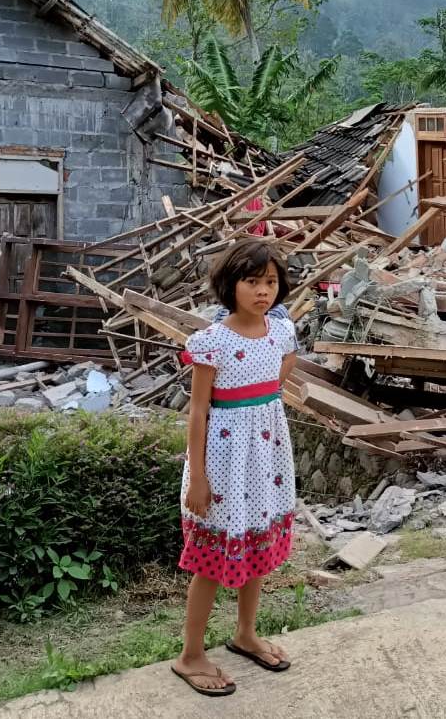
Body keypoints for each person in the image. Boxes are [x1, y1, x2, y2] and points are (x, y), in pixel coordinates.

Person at [171, 238, 299, 697]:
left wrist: (262, 399)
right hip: (223, 468)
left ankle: (246, 633)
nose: (263, 291)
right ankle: (190, 655)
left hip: (265, 462)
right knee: (210, 562)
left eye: (271, 282)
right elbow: (198, 412)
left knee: (258, 546)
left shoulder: (279, 331)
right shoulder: (212, 342)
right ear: (230, 285)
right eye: (252, 282)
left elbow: (287, 359)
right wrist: (198, 477)